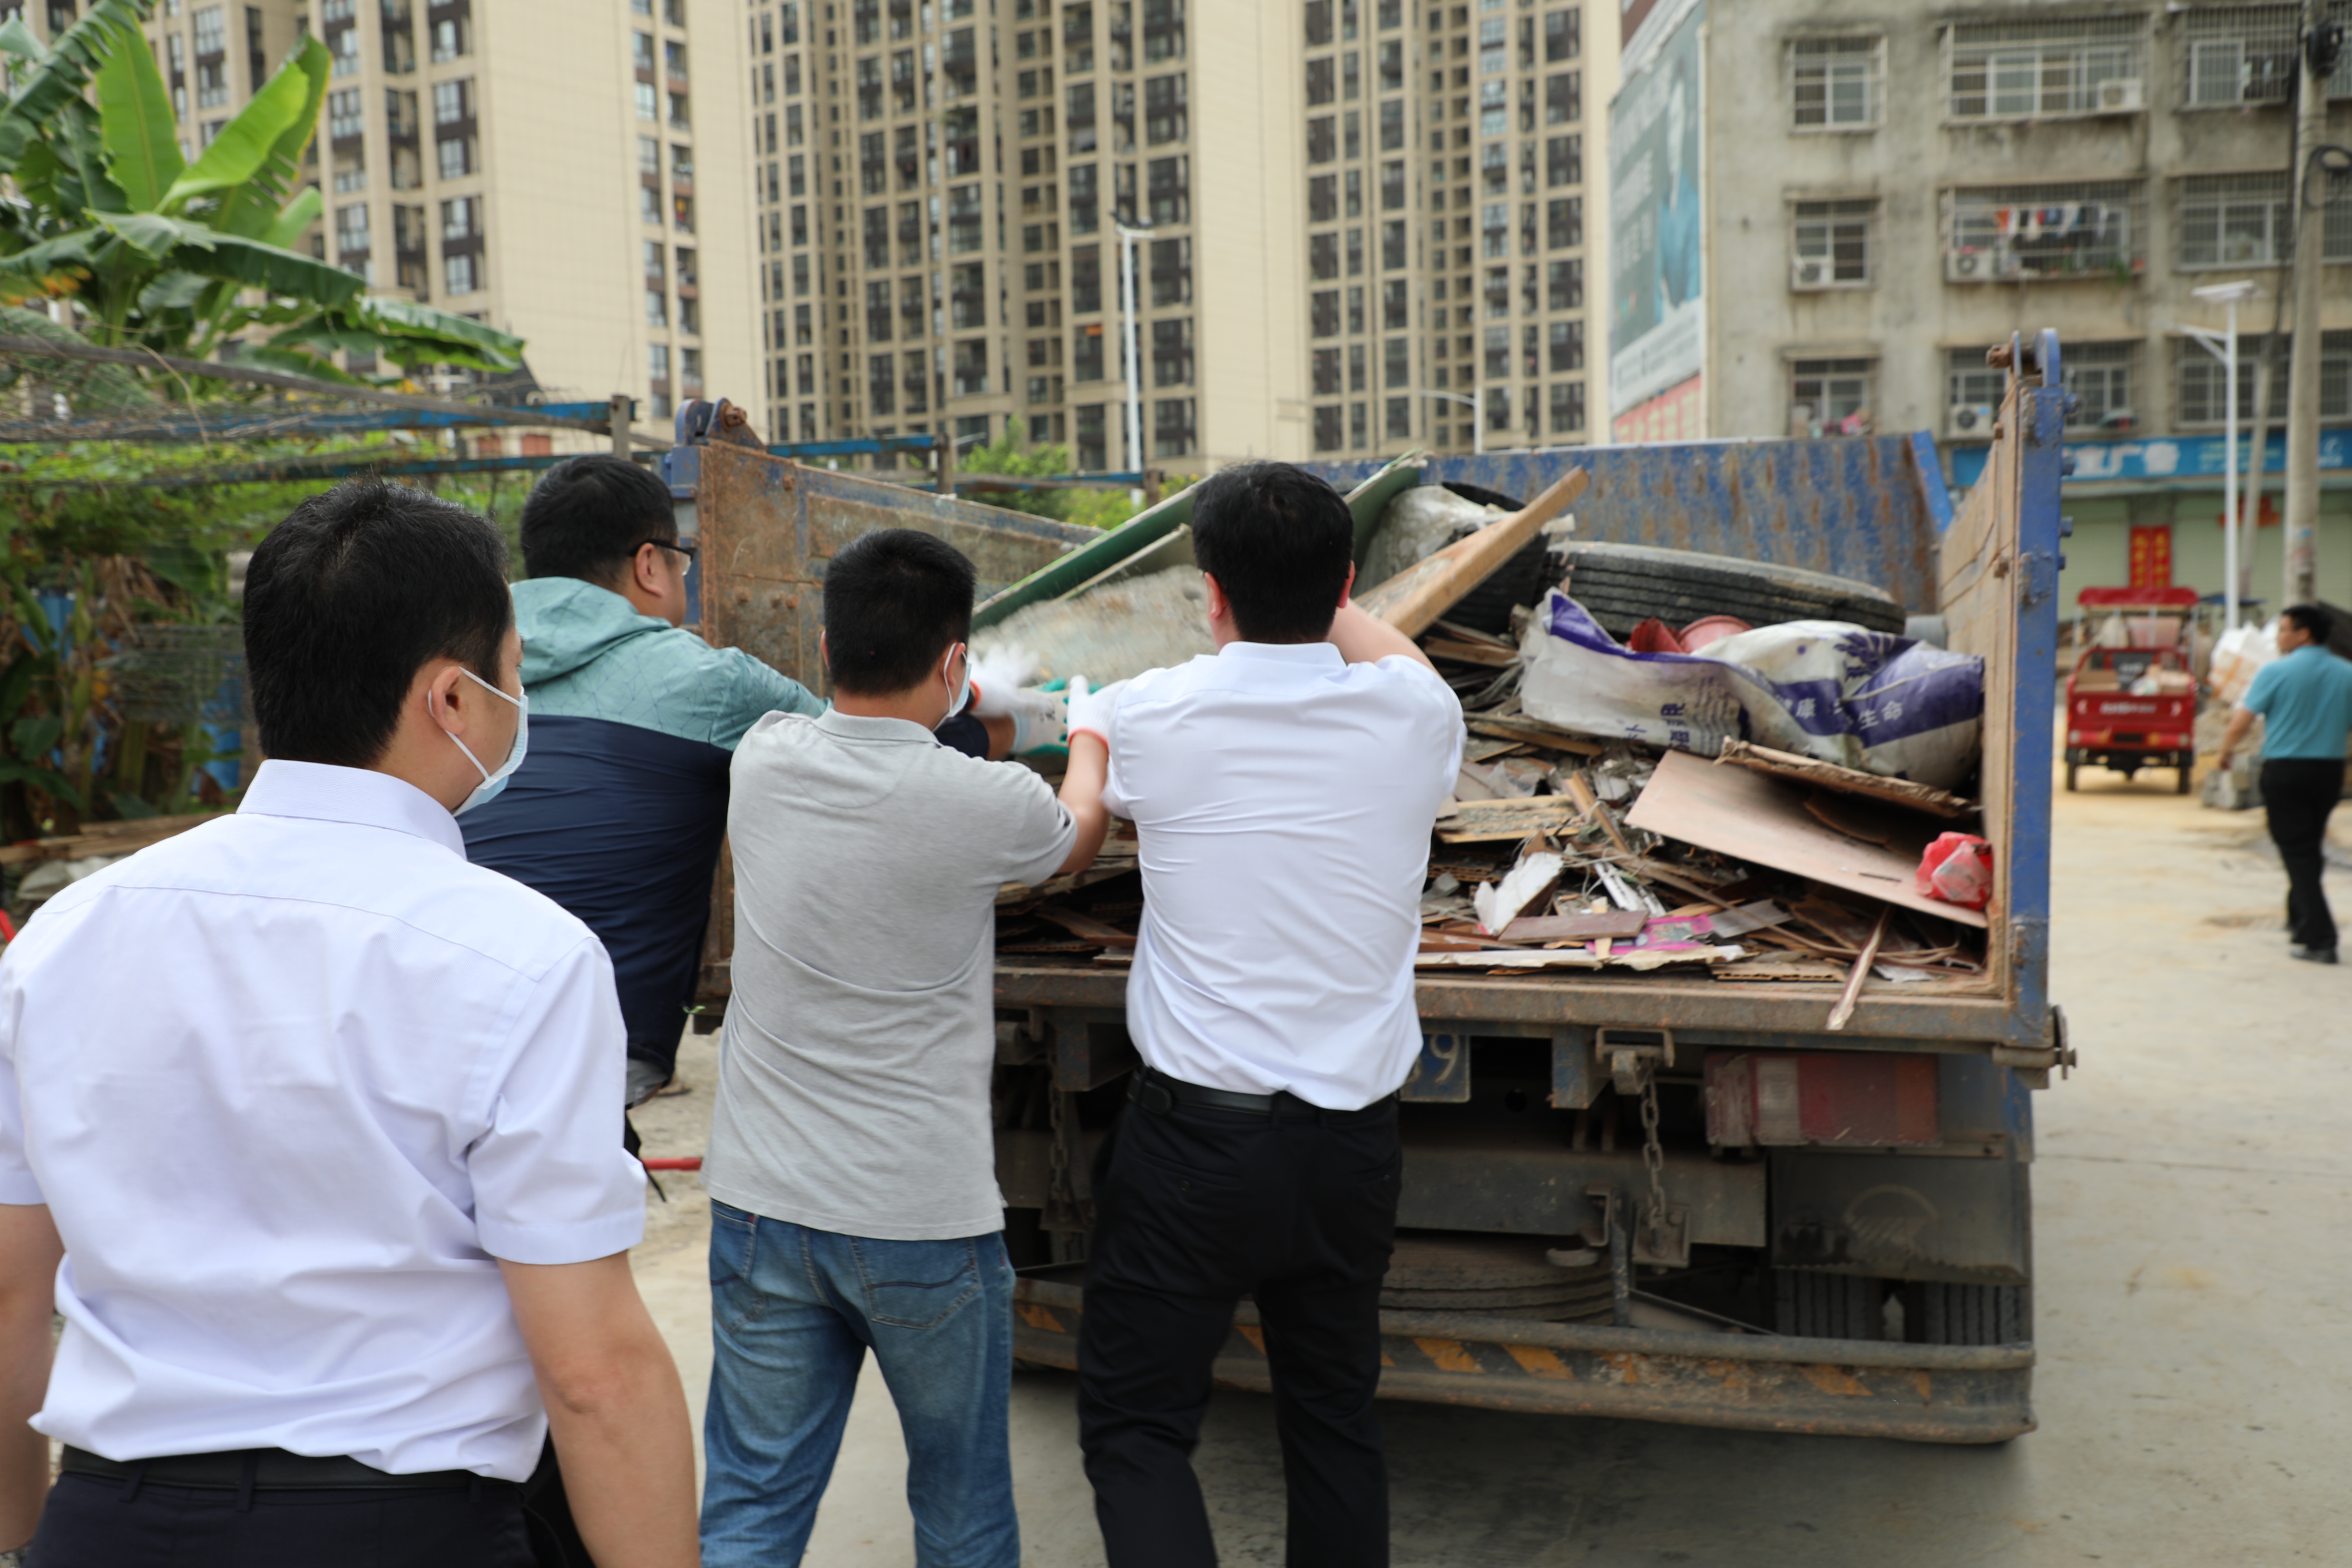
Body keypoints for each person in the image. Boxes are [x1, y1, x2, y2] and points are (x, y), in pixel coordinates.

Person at [0, 480, 697, 1568]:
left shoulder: (64, 937)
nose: (520, 701)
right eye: (514, 672)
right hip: (400, 1529)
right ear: (452, 698)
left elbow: (9, 1293)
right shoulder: (522, 953)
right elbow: (593, 1371)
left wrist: (23, 1537)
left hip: (110, 1522)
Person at [1072, 463, 1464, 1568]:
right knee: (1334, 1422)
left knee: (1139, 1430)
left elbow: (1088, 793)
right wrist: (1327, 599)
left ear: (1210, 592)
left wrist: (1088, 732)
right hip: (1350, 1148)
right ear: (1345, 583)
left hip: (1195, 1149)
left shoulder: (1148, 714)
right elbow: (1400, 658)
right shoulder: (1414, 717)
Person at [697, 527, 1111, 1568]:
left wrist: (975, 709)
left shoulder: (764, 758)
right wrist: (1089, 730)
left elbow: (913, 745)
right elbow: (1077, 832)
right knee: (962, 1512)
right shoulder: (985, 805)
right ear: (953, 659)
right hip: (921, 1221)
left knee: (748, 1509)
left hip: (762, 1209)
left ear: (824, 645)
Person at [459, 454, 827, 1106]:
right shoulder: (715, 682)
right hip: (601, 1045)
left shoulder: (457, 674)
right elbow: (867, 757)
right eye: (681, 561)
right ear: (650, 564)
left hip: (444, 1017)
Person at [2217, 602, 2352, 964]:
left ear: (2302, 634)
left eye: (2283, 630)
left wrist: (2225, 753)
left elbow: (2241, 722)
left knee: (2297, 851)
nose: (2278, 637)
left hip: (2287, 771)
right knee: (2307, 845)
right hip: (2329, 773)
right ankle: (2299, 920)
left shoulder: (2276, 672)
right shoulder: (2347, 673)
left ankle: (2320, 939)